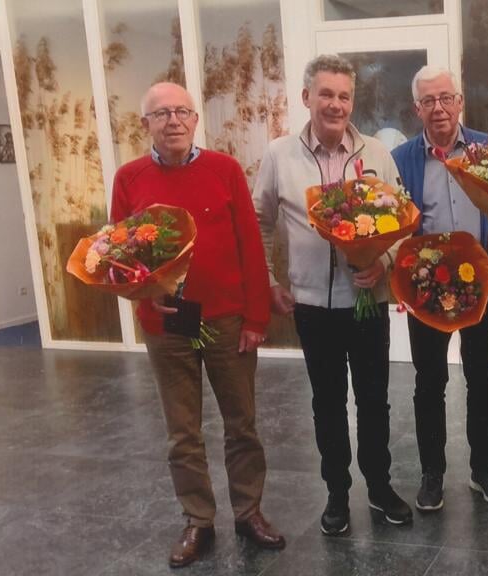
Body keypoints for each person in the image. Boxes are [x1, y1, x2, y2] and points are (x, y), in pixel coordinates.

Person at [110, 82, 285, 568]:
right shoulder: (129, 178)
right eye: (161, 113)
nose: (173, 121)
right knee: (182, 431)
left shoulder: (225, 170)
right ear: (145, 124)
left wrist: (255, 318)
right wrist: (146, 305)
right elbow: (120, 257)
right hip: (167, 325)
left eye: (182, 111)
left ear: (194, 120)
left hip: (228, 318)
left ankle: (248, 511)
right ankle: (198, 520)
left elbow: (252, 246)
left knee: (241, 425)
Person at [253, 54, 412, 536]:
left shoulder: (377, 154)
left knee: (374, 401)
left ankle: (380, 488)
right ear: (306, 98)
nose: (336, 104)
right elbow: (259, 221)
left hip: (367, 303)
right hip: (312, 308)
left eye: (344, 96)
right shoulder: (279, 156)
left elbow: (404, 222)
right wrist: (268, 280)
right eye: (326, 94)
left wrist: (381, 262)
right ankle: (338, 494)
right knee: (326, 402)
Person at [391, 66, 488, 512]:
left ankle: (483, 469)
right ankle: (432, 474)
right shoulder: (401, 158)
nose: (438, 108)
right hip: (427, 287)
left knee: (481, 377)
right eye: (428, 101)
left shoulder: (486, 148)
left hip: (479, 280)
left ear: (459, 102)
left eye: (446, 98)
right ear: (416, 108)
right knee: (429, 381)